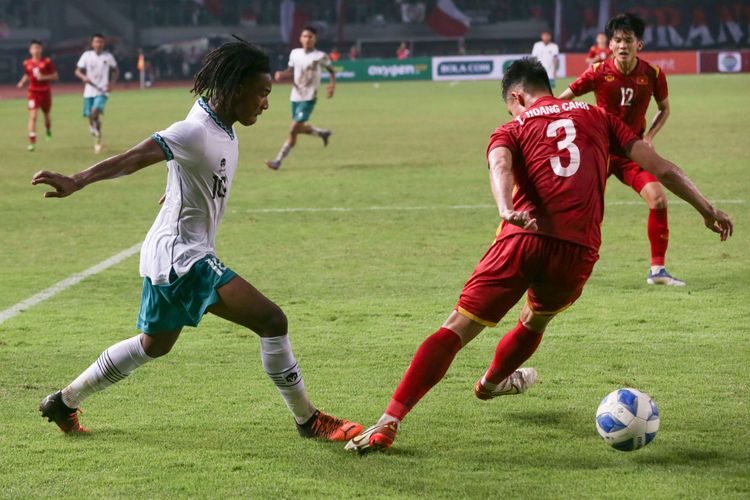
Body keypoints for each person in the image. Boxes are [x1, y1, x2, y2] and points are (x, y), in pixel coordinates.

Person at [345, 58, 732, 453]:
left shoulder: (513, 126)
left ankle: (388, 422)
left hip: (522, 236)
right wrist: (707, 209)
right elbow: (662, 168)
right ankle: (493, 383)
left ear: (516, 96)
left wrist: (503, 207)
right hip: (577, 250)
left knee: (457, 328)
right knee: (535, 319)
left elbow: (499, 163)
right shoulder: (601, 117)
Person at [34, 40, 363, 442]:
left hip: (169, 250)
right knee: (272, 320)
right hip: (182, 256)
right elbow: (133, 158)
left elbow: (188, 168)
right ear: (236, 88)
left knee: (153, 346)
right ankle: (308, 421)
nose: (265, 103)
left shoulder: (219, 124)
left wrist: (177, 190)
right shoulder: (195, 130)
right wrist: (77, 180)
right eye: (261, 93)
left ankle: (64, 401)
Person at [559, 13, 682, 285]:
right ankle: (561, 266)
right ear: (610, 45)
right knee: (578, 208)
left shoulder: (653, 74)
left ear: (640, 44)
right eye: (618, 40)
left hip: (632, 153)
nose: (623, 45)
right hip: (599, 152)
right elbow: (562, 101)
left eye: (629, 40)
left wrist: (649, 136)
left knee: (659, 199)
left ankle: (657, 271)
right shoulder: (597, 72)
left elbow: (664, 109)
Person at [266, 26, 335, 170]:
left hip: (309, 97)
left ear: (315, 39)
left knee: (293, 128)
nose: (307, 39)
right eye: (305, 36)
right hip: (295, 96)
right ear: (300, 38)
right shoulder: (295, 53)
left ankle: (277, 161)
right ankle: (322, 133)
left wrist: (332, 85)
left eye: (310, 36)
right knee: (297, 128)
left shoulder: (320, 56)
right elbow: (290, 71)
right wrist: (282, 74)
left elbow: (331, 71)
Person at [75, 33, 119, 154]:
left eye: (100, 42)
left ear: (103, 43)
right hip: (89, 91)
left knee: (95, 112)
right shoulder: (87, 55)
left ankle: (97, 139)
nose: (98, 44)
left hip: (102, 90)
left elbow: (115, 71)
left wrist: (111, 84)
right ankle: (96, 130)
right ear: (92, 43)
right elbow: (77, 71)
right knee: (91, 116)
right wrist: (83, 77)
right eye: (96, 42)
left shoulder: (108, 56)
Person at [17, 39, 58, 152]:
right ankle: (32, 142)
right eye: (34, 48)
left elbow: (55, 76)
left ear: (41, 49)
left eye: (38, 48)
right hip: (33, 92)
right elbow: (27, 74)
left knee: (46, 114)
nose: (36, 50)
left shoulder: (47, 62)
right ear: (30, 50)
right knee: (33, 116)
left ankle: (48, 130)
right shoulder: (27, 63)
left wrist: (43, 77)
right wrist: (22, 82)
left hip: (45, 92)